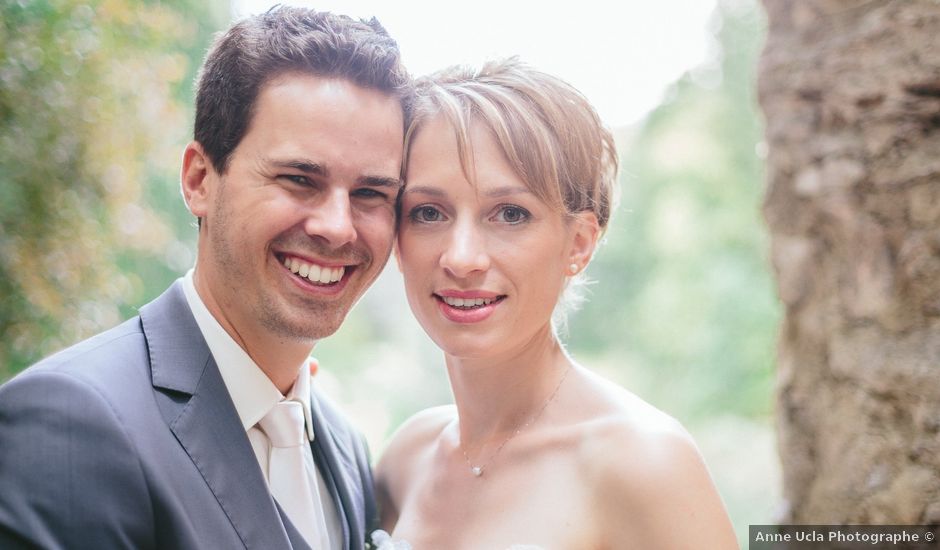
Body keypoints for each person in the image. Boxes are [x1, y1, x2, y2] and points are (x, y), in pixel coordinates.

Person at [0, 7, 410, 550]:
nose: (338, 228)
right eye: (298, 179)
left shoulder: (344, 446)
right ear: (199, 179)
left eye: (370, 194)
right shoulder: (71, 425)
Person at [374, 58, 739, 549]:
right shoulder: (407, 458)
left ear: (579, 243)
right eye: (428, 212)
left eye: (509, 213)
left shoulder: (644, 462)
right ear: (396, 238)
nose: (461, 258)